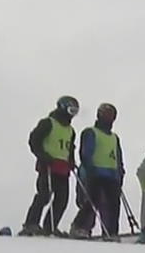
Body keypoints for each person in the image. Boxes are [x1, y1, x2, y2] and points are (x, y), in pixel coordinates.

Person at [20, 96, 78, 235]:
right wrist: (43, 156)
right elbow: (34, 140)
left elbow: (70, 148)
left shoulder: (71, 130)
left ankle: (50, 227)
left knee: (62, 200)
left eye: (75, 111)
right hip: (48, 166)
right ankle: (31, 224)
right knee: (44, 195)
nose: (72, 114)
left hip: (63, 169)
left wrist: (71, 161)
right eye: (71, 110)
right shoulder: (48, 123)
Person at [69, 103, 124, 239]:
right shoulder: (91, 132)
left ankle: (111, 231)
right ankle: (80, 227)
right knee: (92, 200)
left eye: (111, 116)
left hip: (111, 174)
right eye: (106, 115)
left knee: (114, 204)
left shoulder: (114, 137)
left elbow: (117, 155)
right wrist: (89, 168)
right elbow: (86, 152)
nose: (108, 118)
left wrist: (120, 172)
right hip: (95, 173)